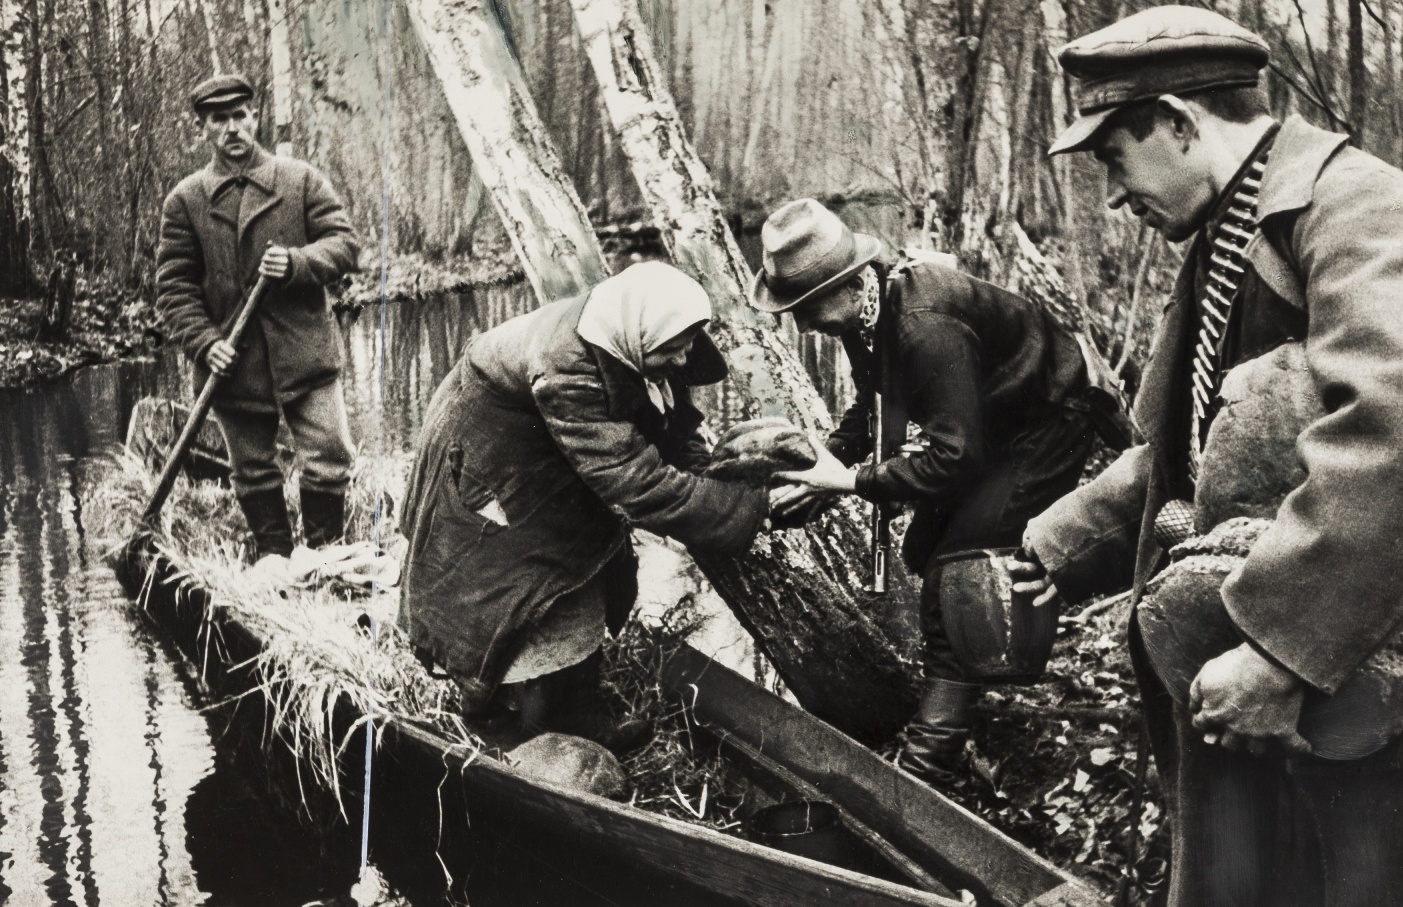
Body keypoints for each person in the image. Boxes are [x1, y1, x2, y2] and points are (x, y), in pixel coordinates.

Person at [1012, 6, 1403, 904]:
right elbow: (1191, 451)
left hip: (1351, 672)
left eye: (1113, 156)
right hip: (1264, 667)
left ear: (1180, 125)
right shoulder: (1230, 228)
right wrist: (1062, 540)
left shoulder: (1357, 207)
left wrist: (1279, 650)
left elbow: (1385, 433)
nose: (1112, 194)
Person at [754, 199, 1111, 786]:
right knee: (921, 550)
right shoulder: (867, 311)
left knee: (955, 572)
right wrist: (825, 461)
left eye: (807, 307)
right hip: (990, 422)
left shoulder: (922, 324)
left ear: (847, 284)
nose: (802, 323)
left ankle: (930, 758)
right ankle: (975, 674)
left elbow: (954, 456)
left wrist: (848, 483)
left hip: (1046, 422)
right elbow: (874, 405)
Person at [399, 261, 768, 750]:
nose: (684, 361)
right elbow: (638, 485)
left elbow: (674, 429)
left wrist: (714, 475)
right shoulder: (567, 365)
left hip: (550, 446)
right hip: (492, 455)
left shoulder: (647, 332)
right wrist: (747, 507)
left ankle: (579, 720)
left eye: (688, 347)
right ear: (642, 338)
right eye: (674, 351)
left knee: (584, 569)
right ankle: (500, 726)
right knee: (513, 583)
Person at [157, 74, 360, 567]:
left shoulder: (300, 180)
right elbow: (174, 290)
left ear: (255, 118)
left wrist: (297, 264)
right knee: (252, 469)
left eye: (240, 116)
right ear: (203, 129)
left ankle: (325, 560)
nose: (232, 128)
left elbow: (344, 246)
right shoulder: (185, 201)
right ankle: (275, 560)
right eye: (219, 120)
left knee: (329, 458)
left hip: (305, 352)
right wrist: (206, 344)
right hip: (233, 363)